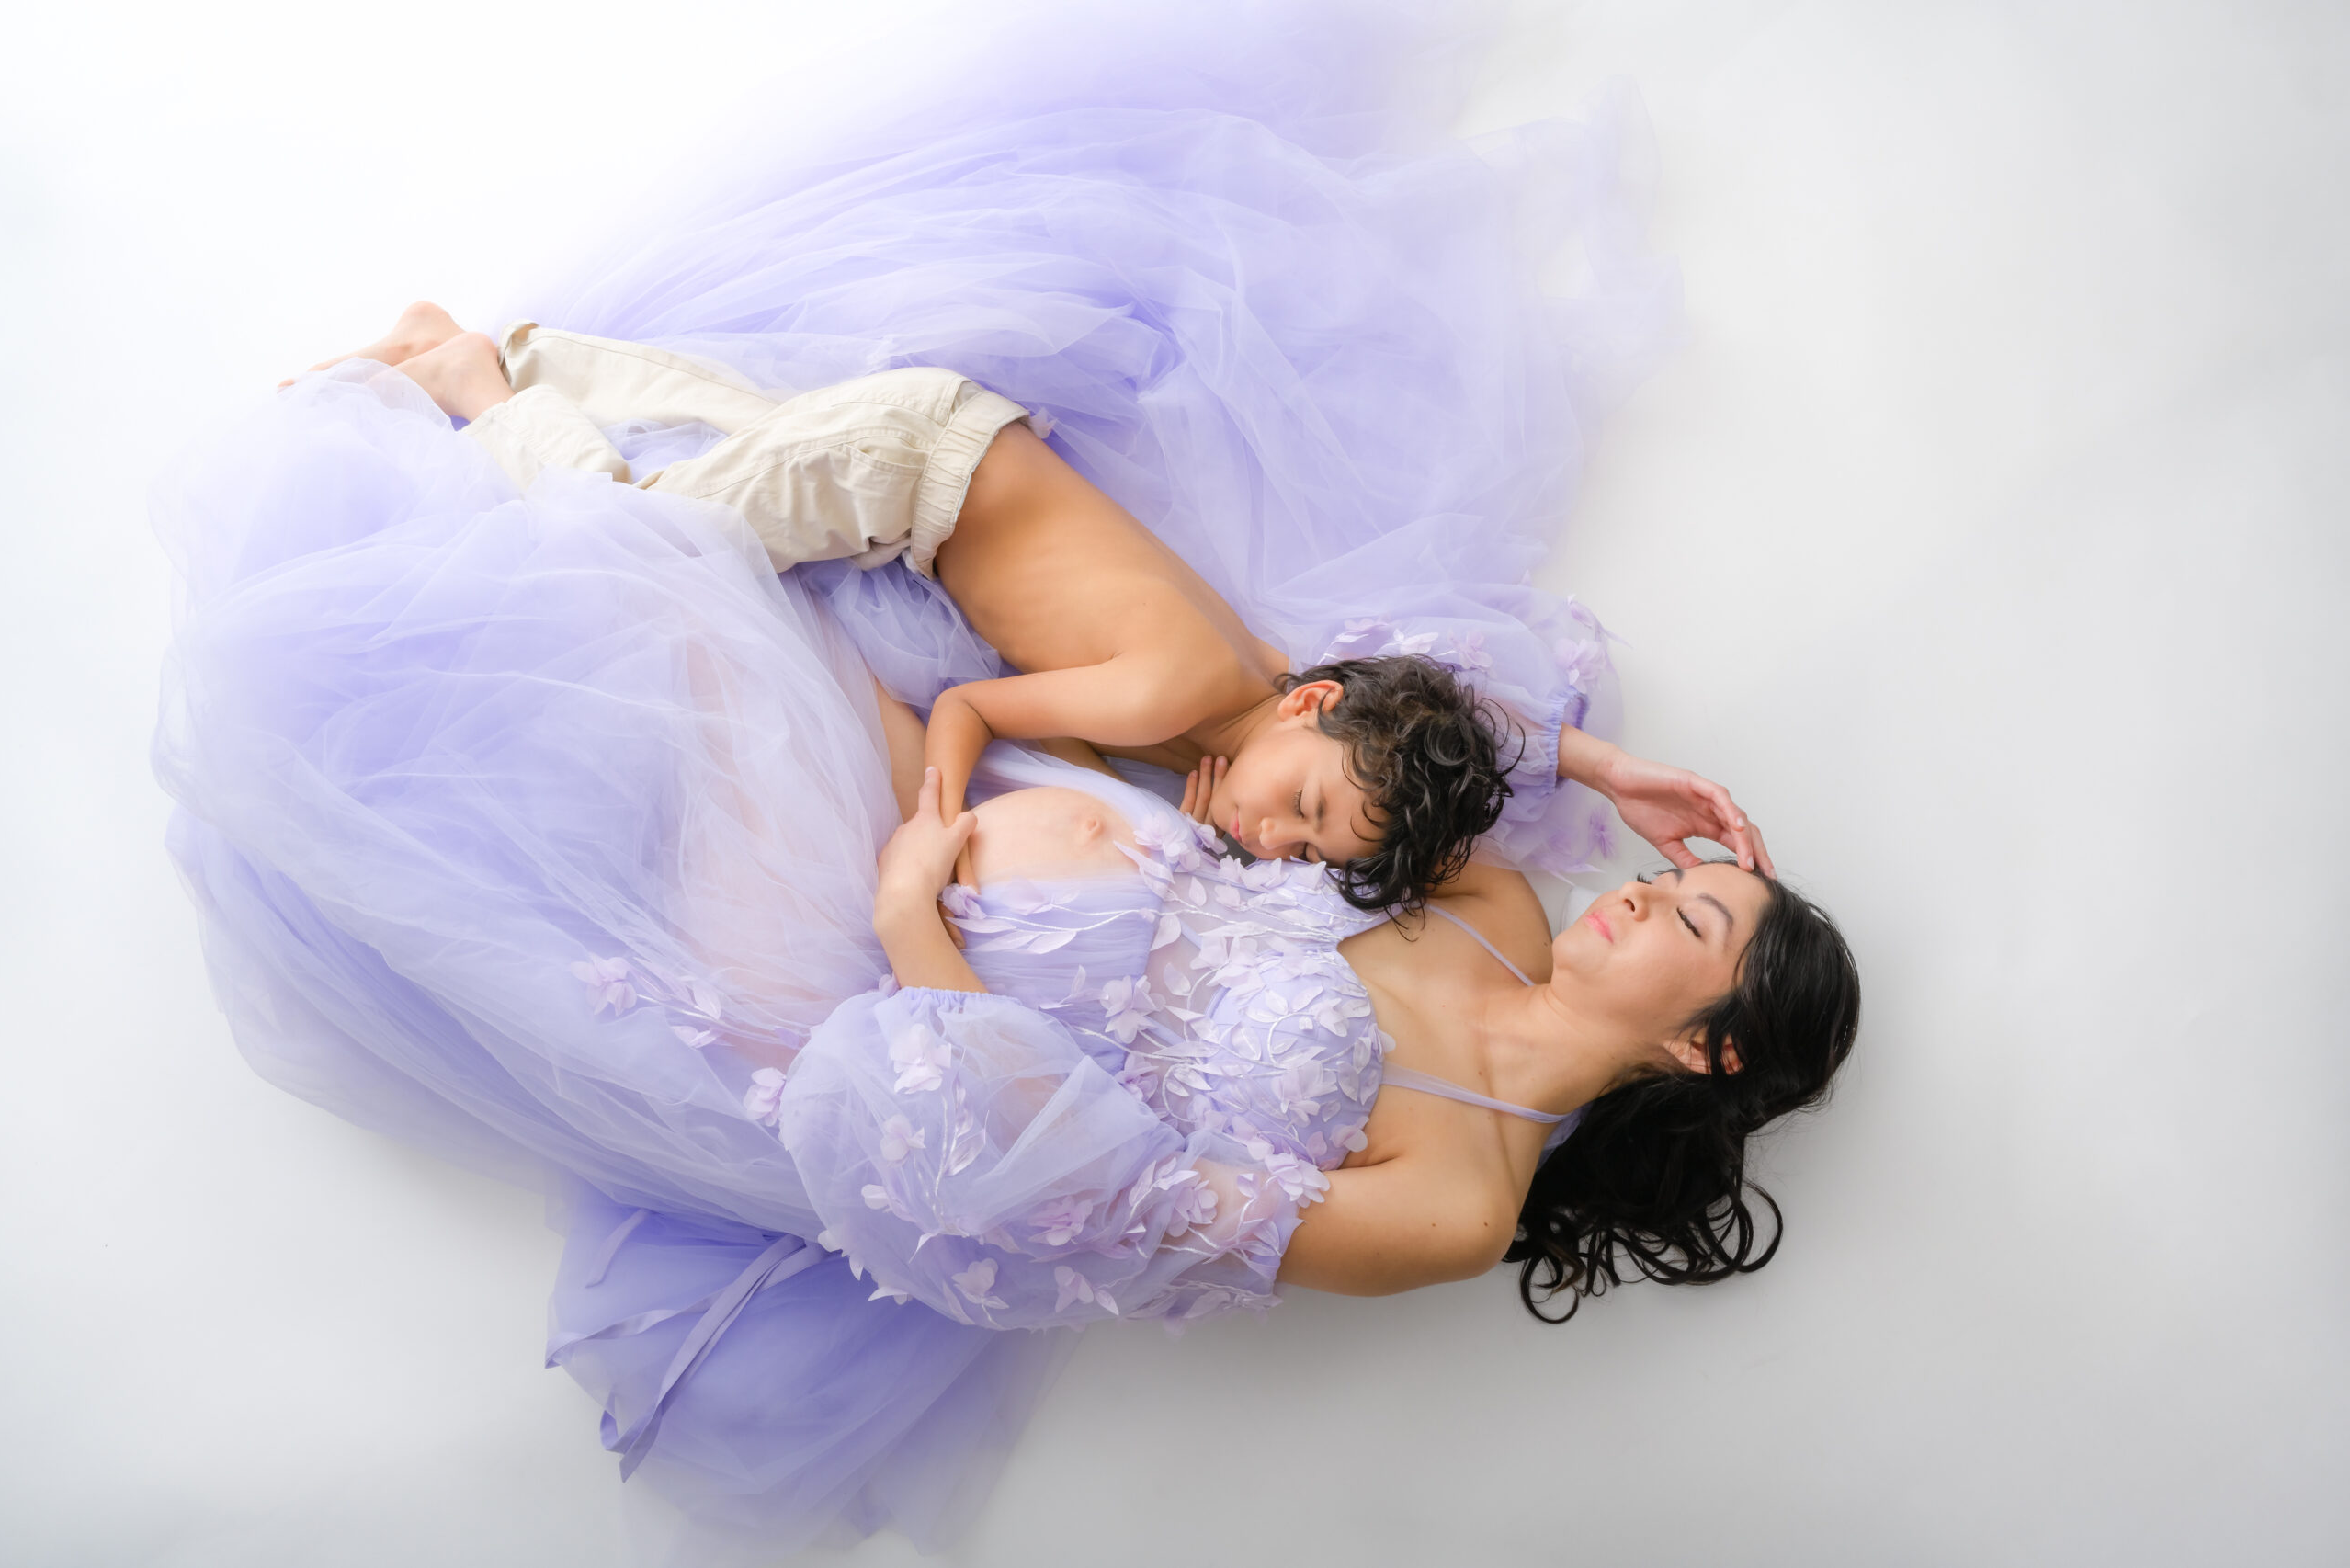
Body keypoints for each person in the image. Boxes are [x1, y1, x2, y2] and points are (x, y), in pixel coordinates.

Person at [151, 0, 1858, 1552]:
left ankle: (474, 395)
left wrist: (919, 941)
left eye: (1691, 917)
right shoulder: (1495, 900)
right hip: (977, 787)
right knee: (759, 583)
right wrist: (1601, 757)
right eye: (1674, 874)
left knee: (679, 634)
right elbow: (1377, 707)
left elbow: (1107, 1211)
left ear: (1703, 1043)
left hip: (878, 945)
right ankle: (514, 383)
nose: (1641, 889)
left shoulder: (1458, 1204)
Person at [312, 306, 1766, 910]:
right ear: (1312, 713)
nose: (1275, 837)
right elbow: (967, 705)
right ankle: (472, 382)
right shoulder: (1175, 691)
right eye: (1306, 807)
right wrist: (937, 820)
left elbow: (1436, 702)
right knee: (643, 551)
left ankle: (540, 358)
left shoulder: (1262, 690)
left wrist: (1598, 763)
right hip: (911, 474)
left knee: (727, 454)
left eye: (1308, 851)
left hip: (932, 463)